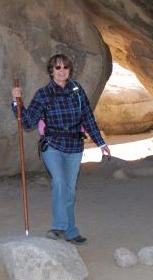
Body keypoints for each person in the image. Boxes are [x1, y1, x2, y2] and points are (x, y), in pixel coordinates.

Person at [11, 54, 111, 245]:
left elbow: (88, 118)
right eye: (58, 68)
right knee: (59, 181)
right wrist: (17, 102)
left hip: (74, 146)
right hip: (53, 145)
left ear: (70, 70)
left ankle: (70, 231)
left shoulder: (77, 90)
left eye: (65, 67)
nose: (62, 70)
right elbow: (28, 121)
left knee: (70, 190)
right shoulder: (44, 94)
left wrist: (100, 142)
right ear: (51, 71)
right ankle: (60, 226)